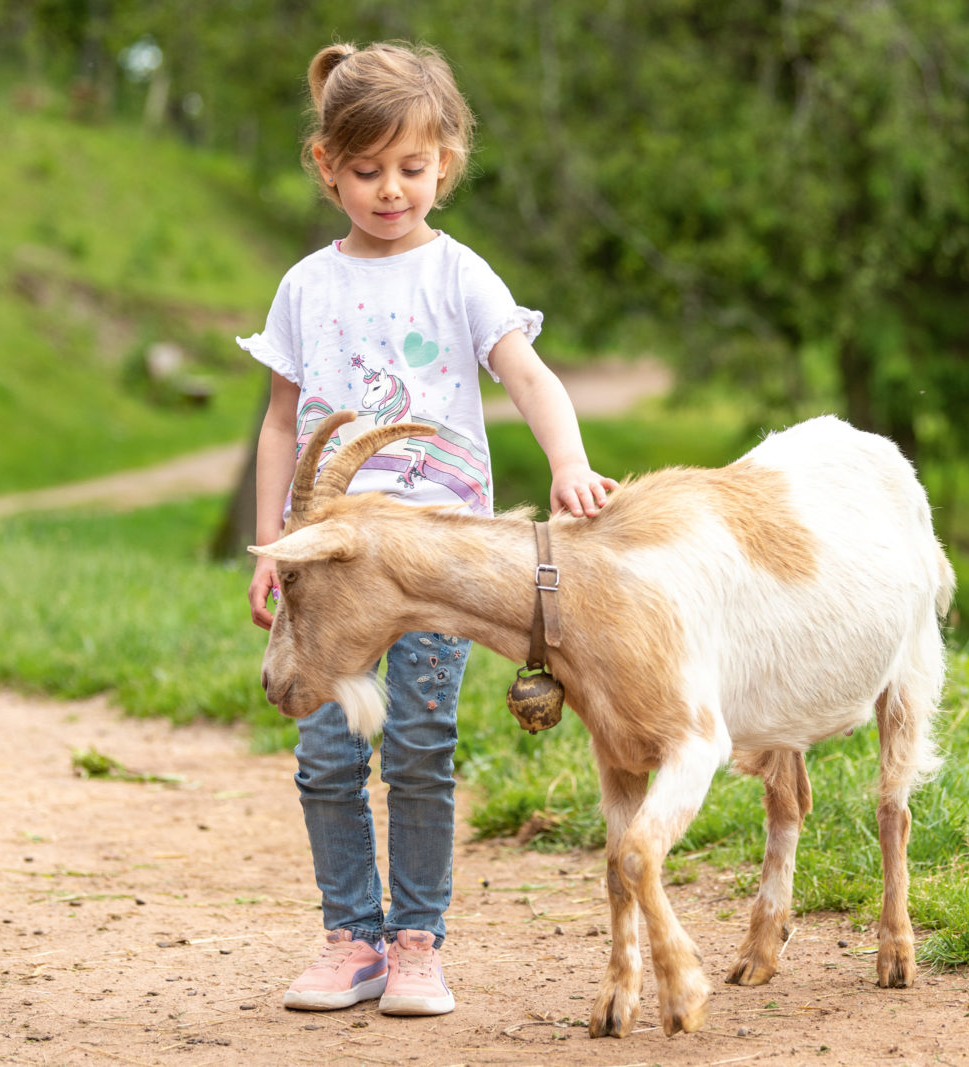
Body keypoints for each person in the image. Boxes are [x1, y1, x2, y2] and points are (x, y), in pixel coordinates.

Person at [238, 40, 617, 1016]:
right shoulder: (305, 287)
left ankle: (416, 942)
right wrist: (273, 549)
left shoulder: (461, 276)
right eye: (366, 171)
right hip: (334, 569)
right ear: (328, 166)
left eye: (411, 168)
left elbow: (526, 373)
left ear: (446, 161)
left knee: (416, 744)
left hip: (442, 563)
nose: (390, 190)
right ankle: (348, 936)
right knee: (325, 754)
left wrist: (568, 462)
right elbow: (280, 422)